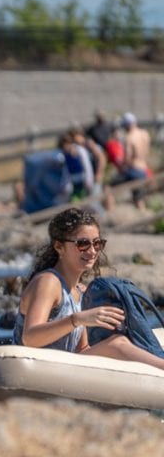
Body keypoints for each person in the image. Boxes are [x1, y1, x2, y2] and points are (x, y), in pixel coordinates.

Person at [14, 207, 164, 370]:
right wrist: (77, 319)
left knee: (118, 342)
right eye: (83, 244)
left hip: (62, 370)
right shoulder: (48, 282)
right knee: (117, 344)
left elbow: (81, 350)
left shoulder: (81, 291)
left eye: (97, 243)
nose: (92, 251)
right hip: (33, 369)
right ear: (59, 246)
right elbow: (29, 338)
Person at [111, 112, 153, 209]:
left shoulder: (129, 138)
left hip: (134, 170)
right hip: (144, 168)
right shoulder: (144, 133)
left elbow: (128, 158)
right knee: (139, 198)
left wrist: (121, 165)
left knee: (109, 188)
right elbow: (146, 151)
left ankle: (110, 214)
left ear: (126, 125)